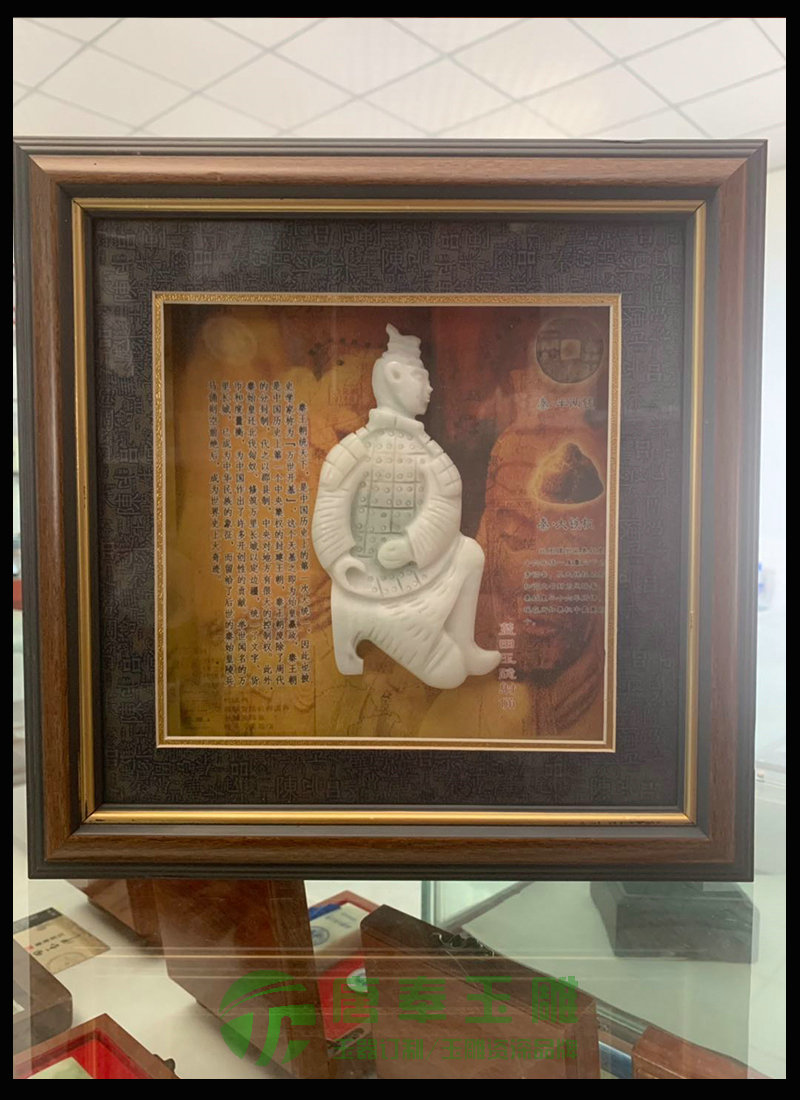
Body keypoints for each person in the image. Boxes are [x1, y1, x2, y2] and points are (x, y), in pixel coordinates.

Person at [312, 324, 500, 690]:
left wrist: (413, 544)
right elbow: (331, 508)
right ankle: (377, 626)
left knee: (470, 553)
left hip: (418, 571)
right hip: (368, 583)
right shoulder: (354, 450)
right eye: (421, 379)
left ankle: (463, 641)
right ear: (395, 376)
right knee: (450, 673)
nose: (429, 389)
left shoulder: (429, 453)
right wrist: (340, 559)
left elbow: (445, 505)